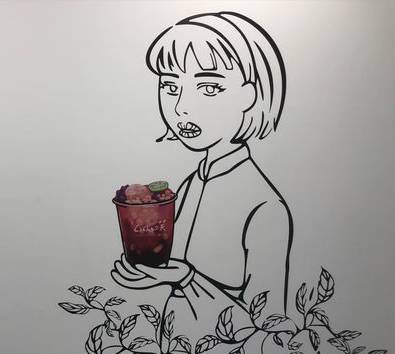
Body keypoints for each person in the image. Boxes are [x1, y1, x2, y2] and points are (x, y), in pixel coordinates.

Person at [111, 12, 294, 335]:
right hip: (174, 353)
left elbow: (269, 330)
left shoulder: (265, 208)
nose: (181, 107)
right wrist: (152, 270)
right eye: (170, 86)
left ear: (249, 95)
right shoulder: (190, 184)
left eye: (208, 87)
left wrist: (186, 279)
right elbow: (176, 272)